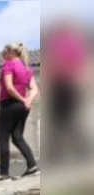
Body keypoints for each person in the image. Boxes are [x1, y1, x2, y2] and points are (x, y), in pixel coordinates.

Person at [0, 42, 40, 183]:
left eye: (4, 50)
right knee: (17, 136)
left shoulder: (9, 64)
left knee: (3, 138)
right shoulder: (26, 68)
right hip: (22, 107)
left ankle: (4, 174)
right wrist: (27, 101)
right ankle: (32, 166)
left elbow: (9, 88)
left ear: (10, 52)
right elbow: (35, 88)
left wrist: (22, 99)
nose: (2, 52)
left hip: (9, 105)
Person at [43, 20, 89, 165]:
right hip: (62, 86)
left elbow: (81, 67)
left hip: (66, 86)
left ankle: (79, 152)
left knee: (65, 121)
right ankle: (60, 154)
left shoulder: (69, 45)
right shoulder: (61, 45)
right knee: (61, 121)